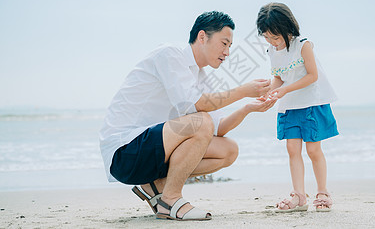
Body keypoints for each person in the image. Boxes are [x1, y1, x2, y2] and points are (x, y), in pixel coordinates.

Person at [99, 11, 276, 221]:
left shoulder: (200, 76)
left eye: (229, 46)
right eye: (224, 43)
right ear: (202, 37)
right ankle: (170, 200)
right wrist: (242, 90)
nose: (227, 52)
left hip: (151, 150)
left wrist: (247, 107)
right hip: (125, 151)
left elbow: (219, 128)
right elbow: (194, 105)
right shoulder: (170, 55)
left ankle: (156, 186)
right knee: (201, 122)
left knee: (228, 150)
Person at [256, 2, 338, 212]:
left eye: (275, 37)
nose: (272, 42)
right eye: (266, 37)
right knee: (292, 149)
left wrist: (284, 90)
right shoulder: (272, 50)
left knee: (313, 150)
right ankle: (299, 196)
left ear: (288, 28)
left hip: (312, 103)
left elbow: (312, 76)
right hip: (290, 106)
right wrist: (268, 92)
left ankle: (322, 192)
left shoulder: (303, 45)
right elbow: (278, 78)